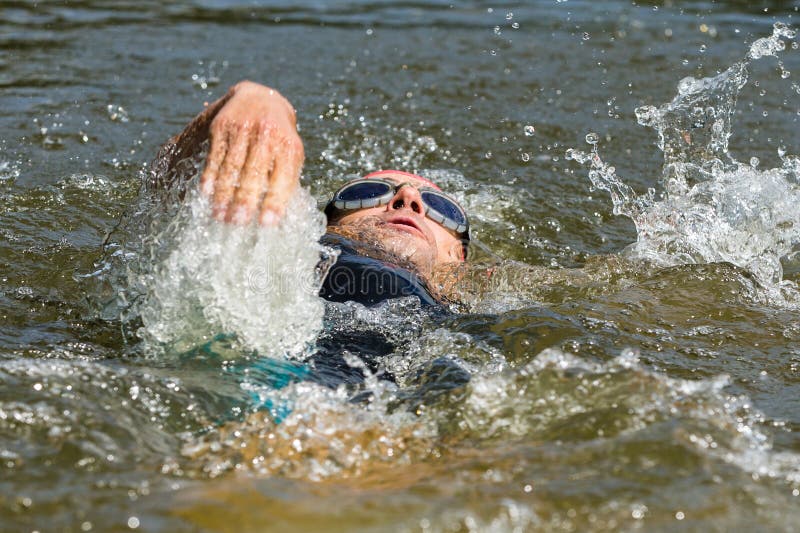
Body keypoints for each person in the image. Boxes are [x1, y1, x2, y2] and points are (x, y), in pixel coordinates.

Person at [150, 80, 471, 307]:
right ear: (326, 224)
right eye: (370, 192)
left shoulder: (482, 324)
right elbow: (166, 190)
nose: (409, 198)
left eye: (439, 206)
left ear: (458, 261)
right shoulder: (290, 253)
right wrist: (253, 99)